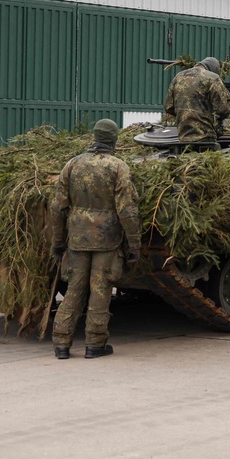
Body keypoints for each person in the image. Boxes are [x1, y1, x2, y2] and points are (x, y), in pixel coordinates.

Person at [49, 119, 140, 359]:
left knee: (74, 290)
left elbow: (57, 207)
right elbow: (127, 211)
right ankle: (94, 344)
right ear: (113, 139)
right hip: (107, 240)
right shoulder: (118, 167)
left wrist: (58, 242)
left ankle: (61, 343)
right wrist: (134, 243)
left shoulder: (72, 164)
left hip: (77, 238)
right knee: (100, 291)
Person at [163, 56, 230, 148]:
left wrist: (185, 114)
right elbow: (224, 109)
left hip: (182, 137)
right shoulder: (212, 77)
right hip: (205, 137)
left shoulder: (178, 77)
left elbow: (169, 106)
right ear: (214, 69)